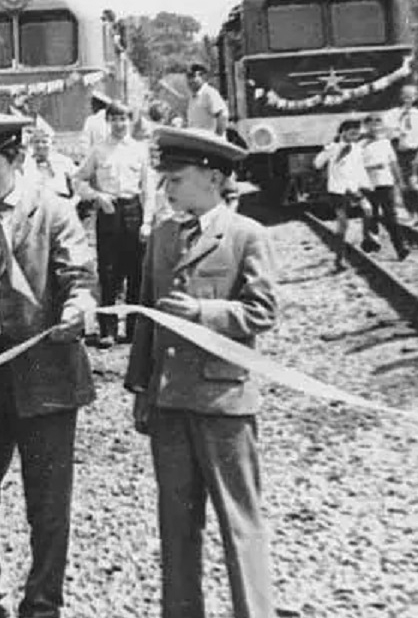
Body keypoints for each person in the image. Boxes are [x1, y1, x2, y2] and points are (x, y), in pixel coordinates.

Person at [0, 113, 97, 618]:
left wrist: (78, 309)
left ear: (17, 159)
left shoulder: (54, 213)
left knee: (46, 502)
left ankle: (43, 605)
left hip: (44, 370)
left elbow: (79, 278)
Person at [124, 126, 279, 618]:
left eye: (176, 179)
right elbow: (145, 315)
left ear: (212, 178)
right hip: (169, 403)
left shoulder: (246, 235)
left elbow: (262, 311)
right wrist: (141, 387)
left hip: (223, 403)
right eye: (165, 180)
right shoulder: (162, 236)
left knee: (240, 523)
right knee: (176, 525)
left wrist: (204, 313)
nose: (166, 189)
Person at [74, 101, 154, 347]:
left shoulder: (140, 150)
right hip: (109, 212)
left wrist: (147, 222)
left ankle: (133, 329)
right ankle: (107, 330)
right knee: (108, 272)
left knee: (136, 273)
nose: (120, 124)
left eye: (124, 119)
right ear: (107, 121)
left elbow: (148, 189)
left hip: (133, 211)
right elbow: (78, 180)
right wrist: (97, 196)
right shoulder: (99, 150)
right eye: (115, 119)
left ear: (131, 121)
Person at [313, 118, 375, 270]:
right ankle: (339, 259)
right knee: (343, 224)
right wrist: (329, 153)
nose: (354, 135)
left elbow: (359, 169)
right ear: (343, 132)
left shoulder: (357, 149)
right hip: (338, 191)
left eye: (357, 133)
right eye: (351, 132)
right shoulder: (333, 148)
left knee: (368, 209)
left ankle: (366, 238)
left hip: (353, 189)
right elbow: (317, 164)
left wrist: (366, 185)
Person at [360, 113, 410, 260]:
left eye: (377, 123)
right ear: (366, 126)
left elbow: (393, 163)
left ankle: (400, 247)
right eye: (371, 124)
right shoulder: (360, 145)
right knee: (372, 215)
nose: (374, 126)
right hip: (368, 184)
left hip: (385, 183)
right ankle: (371, 243)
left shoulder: (386, 143)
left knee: (391, 216)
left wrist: (400, 181)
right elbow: (355, 166)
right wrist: (372, 167)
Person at [385, 84, 418, 224]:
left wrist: (411, 145)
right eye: (405, 95)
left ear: (415, 98)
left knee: (414, 184)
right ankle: (411, 214)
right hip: (397, 151)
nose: (407, 98)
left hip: (412, 152)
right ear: (401, 96)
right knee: (403, 184)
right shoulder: (392, 114)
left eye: (411, 96)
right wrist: (398, 135)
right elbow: (388, 131)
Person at [25, 122, 77, 200]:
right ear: (31, 144)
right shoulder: (25, 163)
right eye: (37, 141)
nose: (40, 145)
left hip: (63, 203)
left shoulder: (64, 161)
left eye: (44, 142)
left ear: (51, 143)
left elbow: (78, 181)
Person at [185, 64, 228, 137]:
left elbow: (222, 116)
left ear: (203, 77)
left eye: (193, 76)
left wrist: (217, 137)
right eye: (188, 77)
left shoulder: (209, 93)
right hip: (196, 140)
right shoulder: (193, 98)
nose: (190, 81)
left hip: (209, 141)